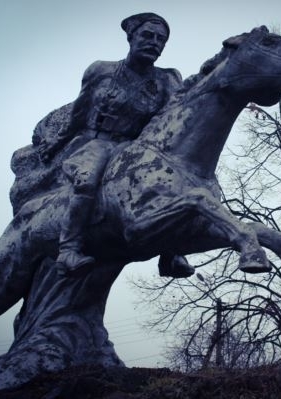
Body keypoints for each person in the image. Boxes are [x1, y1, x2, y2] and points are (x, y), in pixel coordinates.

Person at [38, 13, 191, 276]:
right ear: (131, 37)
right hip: (95, 143)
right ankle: (68, 250)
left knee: (175, 183)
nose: (154, 42)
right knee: (86, 181)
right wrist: (57, 143)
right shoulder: (101, 70)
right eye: (147, 35)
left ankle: (172, 254)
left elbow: (171, 121)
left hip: (135, 149)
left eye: (160, 39)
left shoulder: (168, 79)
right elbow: (80, 111)